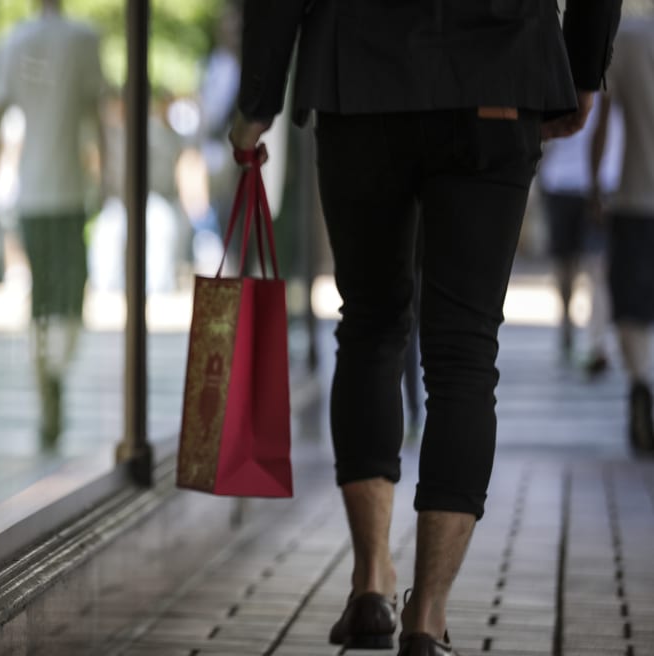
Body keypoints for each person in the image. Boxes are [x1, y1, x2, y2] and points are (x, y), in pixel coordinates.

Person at [229, 1, 621, 654]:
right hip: (498, 72)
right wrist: (580, 70)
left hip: (358, 79)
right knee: (464, 352)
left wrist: (258, 101)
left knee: (369, 328)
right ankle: (428, 617)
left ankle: (369, 585)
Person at [0, 0, 108, 450]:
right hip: (65, 188)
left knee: (44, 297)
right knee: (69, 291)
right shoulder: (81, 41)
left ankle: (48, 382)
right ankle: (51, 379)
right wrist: (110, 175)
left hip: (37, 189)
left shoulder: (14, 41)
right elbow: (98, 117)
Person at [589, 10, 654, 452]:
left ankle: (640, 382)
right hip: (635, 198)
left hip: (636, 194)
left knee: (631, 301)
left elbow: (602, 118)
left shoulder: (630, 40)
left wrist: (595, 182)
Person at [537, 94, 622, 373]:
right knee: (567, 265)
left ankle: (597, 341)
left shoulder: (614, 68)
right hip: (563, 181)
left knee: (597, 265)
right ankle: (568, 323)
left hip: (602, 182)